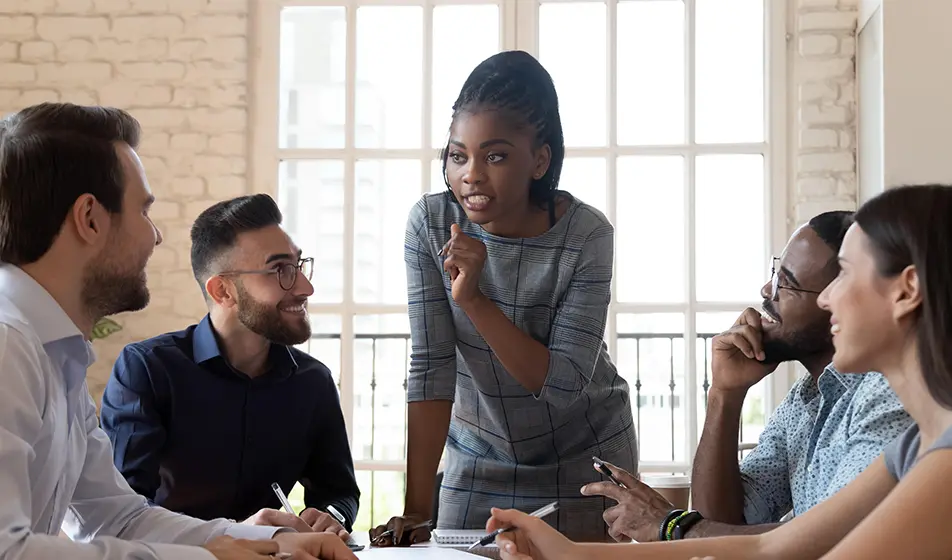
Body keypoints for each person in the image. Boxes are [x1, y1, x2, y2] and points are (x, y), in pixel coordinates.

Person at [487, 183, 952, 559]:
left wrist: (665, 525)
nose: (830, 297)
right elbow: (772, 546)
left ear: (906, 290)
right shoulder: (914, 444)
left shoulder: (938, 453)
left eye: (846, 274)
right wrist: (568, 554)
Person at [0, 102, 355, 560]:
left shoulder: (56, 353)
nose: (155, 236)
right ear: (89, 218)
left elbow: (118, 518)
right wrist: (210, 559)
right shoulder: (9, 345)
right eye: (143, 210)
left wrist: (270, 540)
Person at [369, 50, 637, 546]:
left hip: (587, 456)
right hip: (477, 456)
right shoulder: (428, 225)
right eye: (457, 155)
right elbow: (431, 365)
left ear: (540, 159)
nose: (471, 173)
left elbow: (561, 384)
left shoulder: (586, 234)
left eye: (495, 155)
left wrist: (473, 300)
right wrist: (415, 507)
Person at [581, 212, 911, 542]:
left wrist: (671, 524)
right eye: (775, 273)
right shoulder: (805, 398)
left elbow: (831, 540)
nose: (767, 290)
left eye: (788, 283)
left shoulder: (890, 396)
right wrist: (725, 393)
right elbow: (724, 527)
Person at [100, 194, 360, 538]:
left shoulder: (313, 382)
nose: (305, 287)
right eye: (280, 269)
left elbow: (339, 492)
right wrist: (234, 534)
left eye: (298, 265)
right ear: (223, 291)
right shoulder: (148, 371)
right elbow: (123, 512)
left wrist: (331, 516)